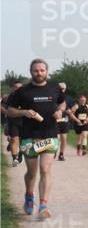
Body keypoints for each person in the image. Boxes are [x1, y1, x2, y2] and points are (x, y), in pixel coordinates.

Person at [5, 60, 66, 219]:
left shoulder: (55, 88)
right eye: (35, 70)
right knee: (32, 173)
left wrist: (60, 111)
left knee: (45, 169)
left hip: (50, 135)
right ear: (31, 71)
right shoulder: (22, 91)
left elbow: (62, 103)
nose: (39, 73)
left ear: (47, 71)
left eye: (42, 70)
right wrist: (23, 112)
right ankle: (29, 195)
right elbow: (10, 111)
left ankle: (43, 205)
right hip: (29, 137)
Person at [1, 82, 24, 166]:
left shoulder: (27, 97)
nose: (18, 89)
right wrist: (7, 113)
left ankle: (21, 155)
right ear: (13, 88)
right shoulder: (9, 97)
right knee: (14, 139)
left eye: (20, 87)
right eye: (16, 87)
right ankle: (15, 158)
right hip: (13, 121)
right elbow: (1, 106)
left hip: (24, 122)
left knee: (23, 142)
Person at [55, 82, 71, 161]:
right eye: (60, 88)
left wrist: (70, 111)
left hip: (64, 120)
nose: (61, 90)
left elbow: (75, 106)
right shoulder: (53, 96)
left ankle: (61, 154)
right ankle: (53, 150)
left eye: (63, 89)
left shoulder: (68, 98)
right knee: (56, 138)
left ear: (65, 89)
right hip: (54, 120)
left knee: (64, 138)